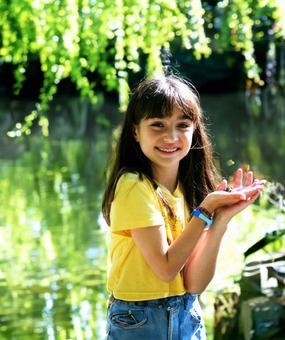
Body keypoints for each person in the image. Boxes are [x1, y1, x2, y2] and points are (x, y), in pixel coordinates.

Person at [102, 75, 265, 340]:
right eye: (157, 125)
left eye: (183, 125)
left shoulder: (186, 190)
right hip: (139, 321)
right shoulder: (133, 185)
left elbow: (193, 284)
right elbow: (166, 269)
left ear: (194, 130)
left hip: (187, 314)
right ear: (135, 131)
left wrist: (220, 220)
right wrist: (205, 210)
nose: (171, 137)